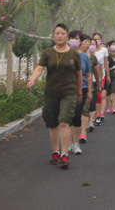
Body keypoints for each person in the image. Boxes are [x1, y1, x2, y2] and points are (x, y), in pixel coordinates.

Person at [27, 24, 82, 169]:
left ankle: (64, 154)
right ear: (54, 35)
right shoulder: (47, 53)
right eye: (57, 33)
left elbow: (79, 74)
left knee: (64, 122)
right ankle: (55, 152)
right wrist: (33, 79)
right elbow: (39, 68)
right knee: (52, 124)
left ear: (67, 36)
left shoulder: (74, 54)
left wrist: (81, 92)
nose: (59, 36)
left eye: (62, 33)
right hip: (51, 92)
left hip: (68, 92)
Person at [68, 30, 92, 154]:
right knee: (66, 118)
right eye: (73, 38)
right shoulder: (64, 54)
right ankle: (68, 143)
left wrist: (89, 91)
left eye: (78, 39)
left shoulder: (84, 57)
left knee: (77, 117)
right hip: (66, 90)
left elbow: (88, 75)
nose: (75, 41)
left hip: (81, 89)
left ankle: (75, 143)